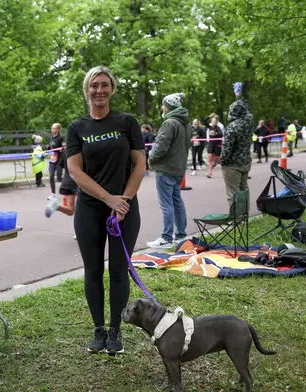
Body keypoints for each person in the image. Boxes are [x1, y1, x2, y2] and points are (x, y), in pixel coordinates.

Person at [66, 66, 146, 354]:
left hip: (124, 208)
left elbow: (140, 165)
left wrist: (122, 200)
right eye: (94, 85)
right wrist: (108, 199)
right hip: (90, 208)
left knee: (119, 271)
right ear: (87, 90)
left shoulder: (127, 122)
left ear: (112, 89)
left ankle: (115, 331)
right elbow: (75, 171)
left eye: (104, 85)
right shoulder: (77, 128)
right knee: (93, 271)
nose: (99, 90)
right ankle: (98, 329)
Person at [146, 93, 192, 249]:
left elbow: (161, 147)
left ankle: (166, 237)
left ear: (168, 107)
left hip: (166, 168)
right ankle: (180, 235)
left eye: (163, 105)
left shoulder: (169, 123)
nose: (161, 108)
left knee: (166, 204)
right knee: (177, 201)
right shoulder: (186, 123)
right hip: (178, 168)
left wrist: (150, 158)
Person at [221, 82, 254, 206]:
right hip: (245, 161)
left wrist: (223, 161)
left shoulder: (232, 127)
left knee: (232, 193)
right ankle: (245, 216)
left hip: (232, 164)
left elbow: (227, 148)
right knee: (244, 189)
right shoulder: (249, 124)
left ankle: (236, 220)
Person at [47, 123, 64, 198]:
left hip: (59, 160)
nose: (52, 130)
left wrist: (62, 149)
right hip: (52, 160)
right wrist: (48, 147)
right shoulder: (51, 137)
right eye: (51, 128)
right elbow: (51, 148)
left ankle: (70, 189)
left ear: (58, 129)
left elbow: (63, 147)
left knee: (59, 178)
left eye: (54, 128)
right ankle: (53, 194)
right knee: (51, 176)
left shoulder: (60, 138)